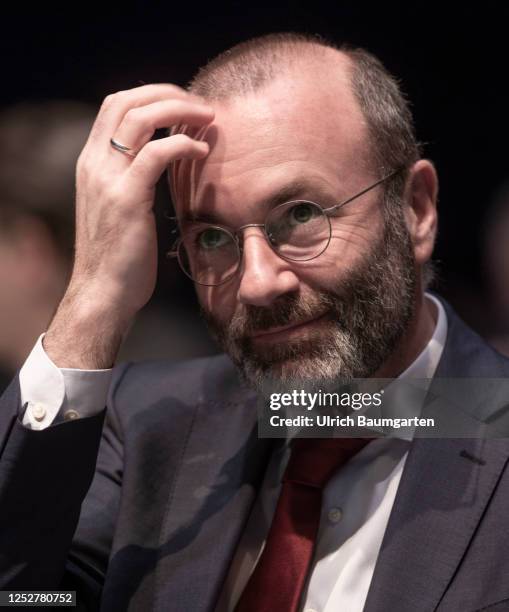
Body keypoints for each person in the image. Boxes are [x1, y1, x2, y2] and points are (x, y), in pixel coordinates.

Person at [1, 32, 509, 612]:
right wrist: (91, 299)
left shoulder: (493, 421)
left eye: (300, 215)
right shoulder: (145, 426)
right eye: (211, 237)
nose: (258, 283)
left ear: (416, 211)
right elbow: (23, 596)